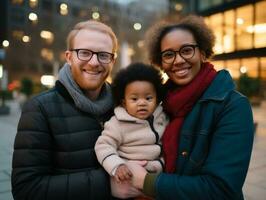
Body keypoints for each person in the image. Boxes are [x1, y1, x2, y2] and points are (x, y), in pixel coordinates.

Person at [126, 15, 255, 200]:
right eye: (169, 54)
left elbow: (221, 188)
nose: (178, 60)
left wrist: (148, 182)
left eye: (187, 50)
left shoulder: (233, 105)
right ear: (160, 62)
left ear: (202, 53)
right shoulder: (159, 104)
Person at [11, 20, 118, 200]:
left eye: (103, 55)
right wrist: (109, 183)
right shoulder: (39, 108)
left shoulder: (124, 104)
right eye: (84, 53)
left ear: (113, 60)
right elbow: (26, 190)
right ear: (69, 57)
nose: (94, 62)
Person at [95, 63, 168, 199]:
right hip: (127, 179)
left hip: (156, 179)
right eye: (134, 99)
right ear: (124, 103)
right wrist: (118, 166)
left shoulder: (162, 118)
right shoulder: (117, 123)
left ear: (157, 99)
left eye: (148, 98)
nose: (142, 103)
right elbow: (103, 146)